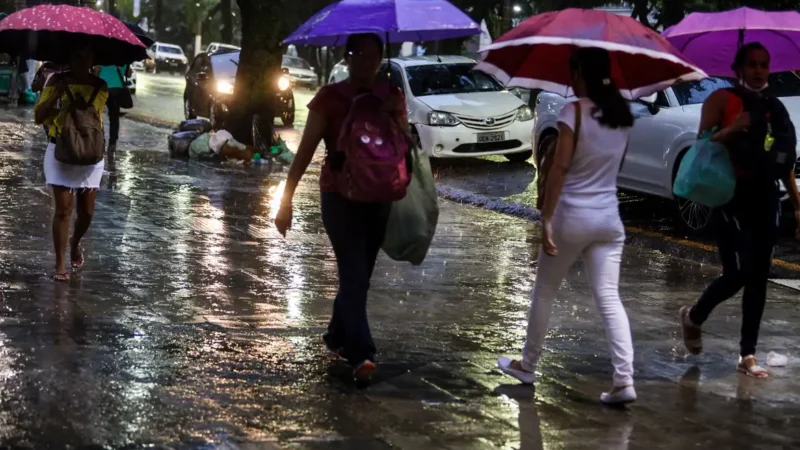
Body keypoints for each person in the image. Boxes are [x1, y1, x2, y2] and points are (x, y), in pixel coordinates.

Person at [497, 47, 637, 405]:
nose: (570, 79)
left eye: (572, 72)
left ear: (580, 74)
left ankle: (527, 366)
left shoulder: (572, 111)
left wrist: (546, 216)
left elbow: (559, 168)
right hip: (609, 219)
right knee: (609, 297)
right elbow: (616, 168)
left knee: (544, 290)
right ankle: (624, 380)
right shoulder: (622, 116)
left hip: (573, 216)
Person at [275, 33, 407, 382]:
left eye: (372, 56)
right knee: (353, 274)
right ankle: (360, 354)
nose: (365, 62)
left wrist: (396, 119)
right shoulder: (329, 99)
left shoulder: (392, 96)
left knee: (360, 275)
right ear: (346, 57)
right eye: (358, 55)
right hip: (339, 199)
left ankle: (336, 335)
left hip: (378, 199)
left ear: (381, 58)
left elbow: (404, 149)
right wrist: (285, 200)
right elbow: (303, 153)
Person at [679, 43, 800, 378]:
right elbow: (700, 148)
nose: (759, 70)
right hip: (730, 197)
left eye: (764, 64)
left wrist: (798, 205)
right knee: (738, 274)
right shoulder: (721, 101)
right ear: (739, 69)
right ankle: (694, 317)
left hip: (765, 198)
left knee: (758, 277)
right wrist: (733, 129)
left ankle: (748, 354)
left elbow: (784, 160)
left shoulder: (775, 108)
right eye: (752, 64)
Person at [34, 45, 108, 282]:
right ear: (69, 57)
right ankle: (60, 264)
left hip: (89, 150)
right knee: (64, 210)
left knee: (86, 212)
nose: (82, 60)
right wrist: (56, 94)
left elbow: (93, 117)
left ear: (93, 59)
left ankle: (75, 243)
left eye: (87, 56)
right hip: (60, 150)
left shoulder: (100, 86)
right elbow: (39, 116)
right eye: (77, 55)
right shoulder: (55, 81)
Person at [95, 64, 131, 154]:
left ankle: (100, 140)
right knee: (114, 118)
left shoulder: (102, 57)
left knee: (96, 115)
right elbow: (129, 74)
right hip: (116, 90)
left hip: (101, 88)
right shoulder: (122, 59)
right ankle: (112, 144)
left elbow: (96, 72)